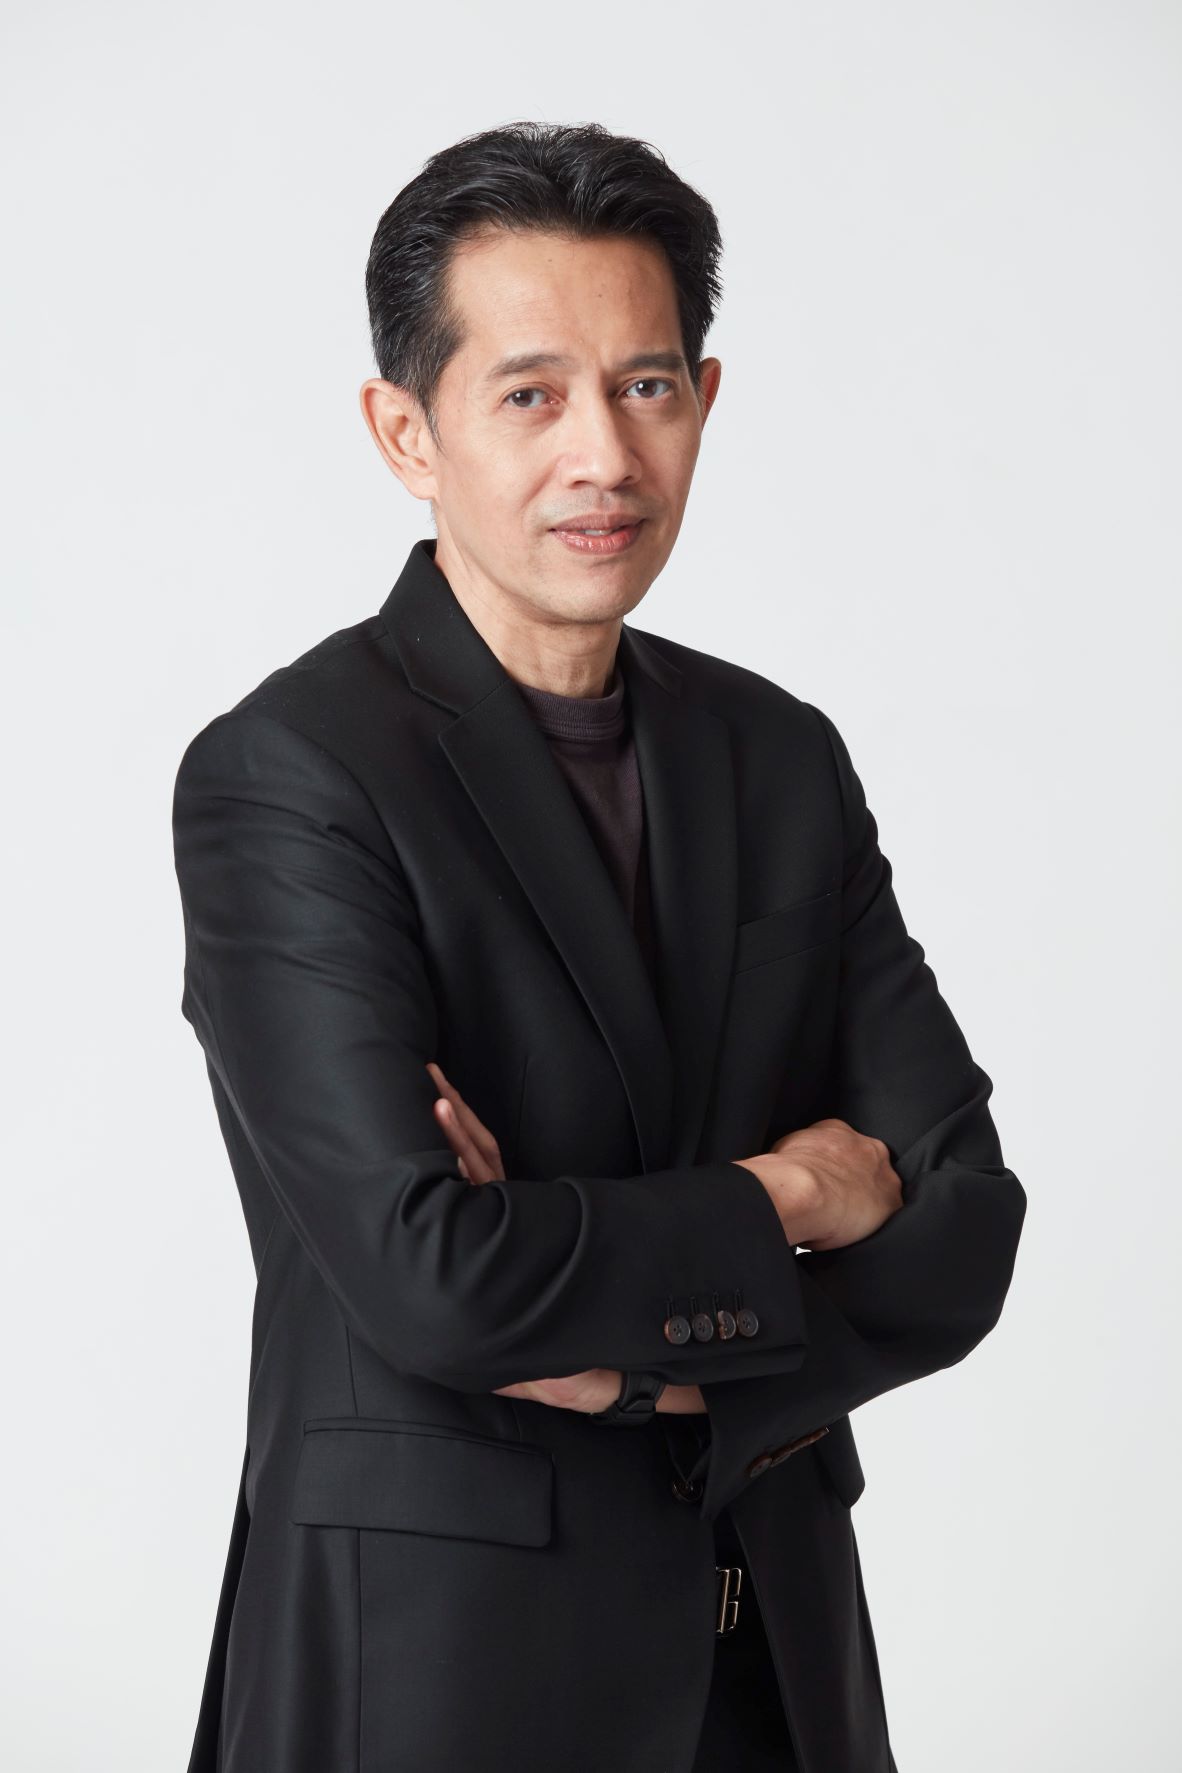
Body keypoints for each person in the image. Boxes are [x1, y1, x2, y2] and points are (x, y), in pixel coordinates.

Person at [172, 120, 1026, 1773]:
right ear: (405, 432)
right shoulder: (290, 775)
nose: (603, 456)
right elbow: (433, 1275)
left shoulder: (776, 758)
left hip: (773, 1660)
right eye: (529, 394)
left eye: (645, 387)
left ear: (703, 400)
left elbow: (964, 1223)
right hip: (439, 1670)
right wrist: (784, 1201)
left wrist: (643, 1374)